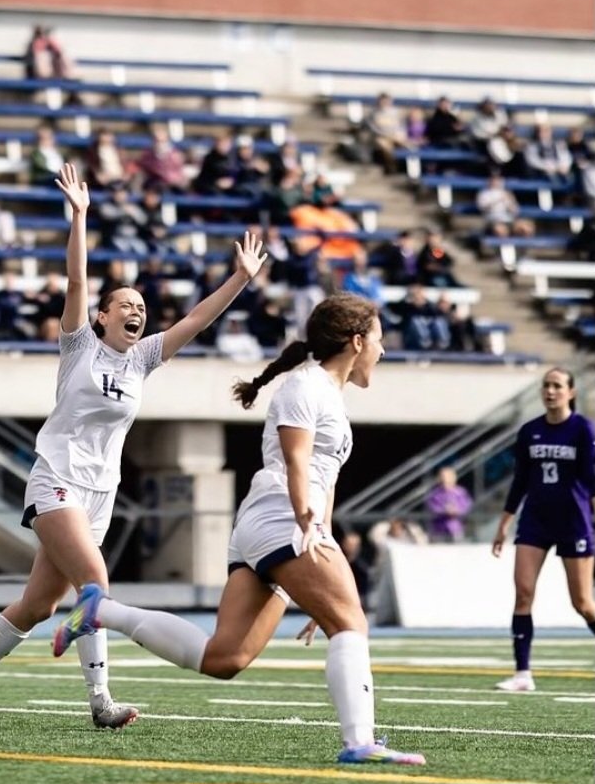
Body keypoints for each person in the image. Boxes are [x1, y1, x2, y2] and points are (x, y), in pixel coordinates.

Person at [0, 162, 266, 730]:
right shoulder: (79, 348)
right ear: (102, 315)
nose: (136, 311)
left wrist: (240, 278)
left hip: (101, 491)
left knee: (39, 606)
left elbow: (196, 319)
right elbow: (74, 281)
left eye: (142, 306)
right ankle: (100, 702)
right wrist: (79, 215)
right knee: (97, 588)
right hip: (57, 477)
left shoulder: (142, 359)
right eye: (125, 304)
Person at [51, 293, 426, 766]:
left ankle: (102, 610)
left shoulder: (326, 391)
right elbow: (295, 461)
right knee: (350, 623)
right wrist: (308, 523)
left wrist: (323, 558)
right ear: (355, 342)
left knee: (224, 658)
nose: (383, 350)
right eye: (378, 340)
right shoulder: (305, 387)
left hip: (276, 524)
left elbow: (321, 480)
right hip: (283, 520)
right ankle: (358, 743)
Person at [491, 367, 595, 693]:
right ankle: (522, 673)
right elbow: (520, 481)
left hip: (574, 521)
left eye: (557, 386)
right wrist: (504, 524)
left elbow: (593, 483)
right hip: (535, 521)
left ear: (571, 392)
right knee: (523, 593)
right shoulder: (530, 431)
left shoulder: (583, 429)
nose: (550, 391)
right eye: (546, 386)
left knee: (582, 602)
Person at [424, 466, 472, 543]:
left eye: (448, 477)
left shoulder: (461, 492)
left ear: (454, 478)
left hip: (456, 529)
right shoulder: (434, 494)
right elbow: (432, 507)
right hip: (439, 529)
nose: (445, 479)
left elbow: (466, 506)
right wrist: (445, 510)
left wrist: (457, 510)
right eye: (442, 477)